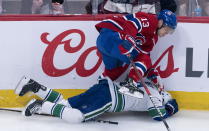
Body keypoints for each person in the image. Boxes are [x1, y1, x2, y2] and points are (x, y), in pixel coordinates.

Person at [14, 76, 178, 123]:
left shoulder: (148, 83)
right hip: (109, 99)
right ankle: (42, 106)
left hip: (104, 86)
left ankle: (34, 87)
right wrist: (171, 109)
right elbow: (158, 115)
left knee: (66, 104)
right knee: (78, 117)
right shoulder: (155, 96)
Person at [95, 9, 177, 93]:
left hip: (104, 44)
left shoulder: (153, 39)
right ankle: (130, 84)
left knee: (114, 71)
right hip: (112, 35)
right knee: (143, 59)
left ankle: (98, 89)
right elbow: (132, 24)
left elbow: (144, 56)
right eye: (167, 29)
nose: (167, 33)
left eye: (170, 31)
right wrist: (129, 38)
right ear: (160, 22)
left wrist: (152, 74)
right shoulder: (152, 21)